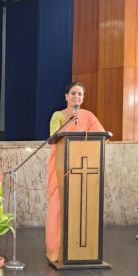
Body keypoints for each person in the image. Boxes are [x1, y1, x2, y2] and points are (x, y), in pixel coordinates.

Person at [46, 81, 105, 262]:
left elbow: (102, 137)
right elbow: (54, 137)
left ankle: (80, 250)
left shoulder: (88, 116)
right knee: (58, 206)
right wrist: (72, 120)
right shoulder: (58, 115)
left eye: (80, 94)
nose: (76, 97)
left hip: (83, 168)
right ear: (66, 96)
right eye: (73, 93)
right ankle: (55, 250)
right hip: (60, 166)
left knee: (81, 207)